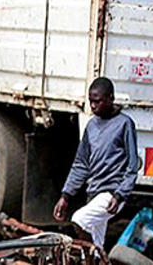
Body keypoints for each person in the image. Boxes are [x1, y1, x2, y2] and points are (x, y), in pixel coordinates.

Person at [52, 77, 138, 248]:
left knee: (79, 220)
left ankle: (90, 254)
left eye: (97, 101)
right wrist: (65, 196)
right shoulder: (91, 126)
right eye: (91, 101)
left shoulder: (124, 124)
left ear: (110, 99)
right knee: (98, 244)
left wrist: (120, 194)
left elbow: (132, 166)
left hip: (111, 193)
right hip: (93, 193)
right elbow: (81, 164)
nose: (92, 106)